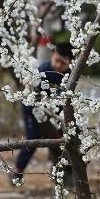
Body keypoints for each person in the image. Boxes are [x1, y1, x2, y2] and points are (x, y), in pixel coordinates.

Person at [10, 42, 73, 185]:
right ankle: (17, 170)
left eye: (62, 63)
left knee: (60, 143)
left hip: (56, 114)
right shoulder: (44, 71)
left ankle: (60, 175)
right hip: (33, 110)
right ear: (52, 56)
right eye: (56, 60)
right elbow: (35, 96)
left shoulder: (70, 75)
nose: (58, 65)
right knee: (32, 140)